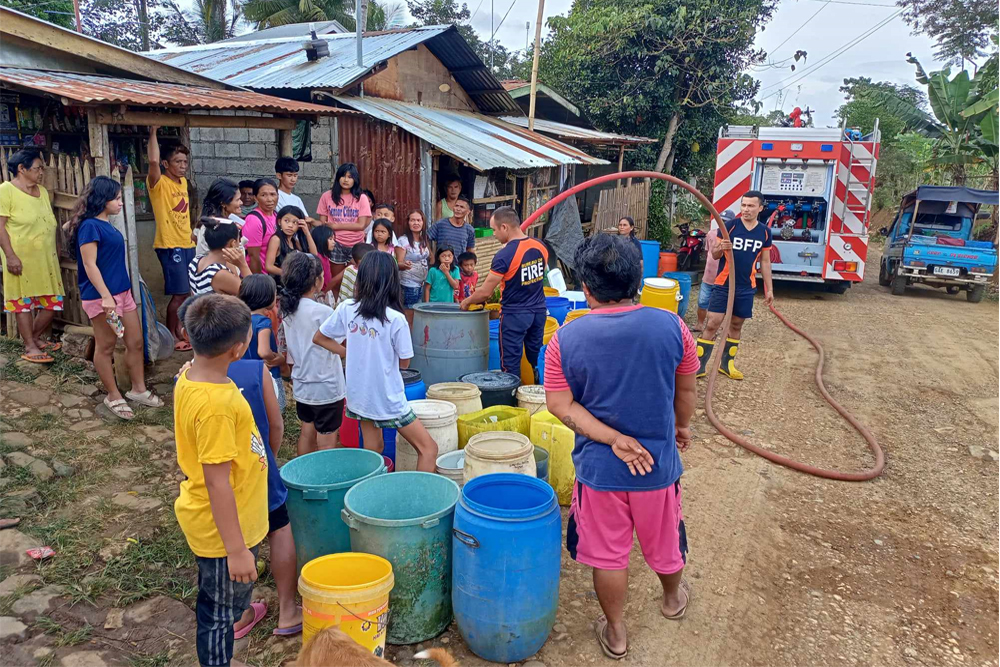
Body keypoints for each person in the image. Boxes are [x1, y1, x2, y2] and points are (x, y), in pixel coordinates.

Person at [543, 233, 698, 660]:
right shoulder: (672, 325)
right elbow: (685, 390)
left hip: (600, 472)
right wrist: (681, 427)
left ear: (586, 288)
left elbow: (559, 405)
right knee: (666, 540)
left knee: (609, 556)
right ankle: (671, 600)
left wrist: (613, 439)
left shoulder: (564, 340)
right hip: (657, 467)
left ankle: (616, 633)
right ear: (639, 281)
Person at [176, 295, 299, 639]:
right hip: (244, 486)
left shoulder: (188, 377)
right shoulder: (247, 376)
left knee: (232, 583)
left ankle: (243, 614)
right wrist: (267, 460)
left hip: (232, 495)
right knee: (278, 529)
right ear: (239, 345)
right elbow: (275, 427)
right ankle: (286, 611)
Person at [173, 293, 268, 667]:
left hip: (228, 521)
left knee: (225, 597)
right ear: (239, 347)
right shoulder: (217, 407)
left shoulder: (190, 374)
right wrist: (236, 550)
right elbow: (217, 483)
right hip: (224, 533)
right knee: (218, 616)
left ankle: (238, 603)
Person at [314, 252, 439, 472]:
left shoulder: (347, 308)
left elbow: (320, 337)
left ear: (361, 279)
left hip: (359, 395)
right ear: (392, 281)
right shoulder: (396, 319)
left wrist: (347, 352)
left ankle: (369, 500)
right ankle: (421, 501)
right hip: (388, 397)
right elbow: (405, 363)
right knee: (428, 448)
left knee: (374, 451)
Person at [66, 175, 161, 418]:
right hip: (102, 298)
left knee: (135, 342)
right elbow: (89, 265)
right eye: (116, 198)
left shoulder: (103, 222)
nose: (121, 203)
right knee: (106, 346)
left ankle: (138, 389)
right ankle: (113, 395)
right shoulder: (90, 226)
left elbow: (68, 227)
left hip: (123, 293)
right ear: (102, 199)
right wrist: (106, 297)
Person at [460, 207, 548, 378]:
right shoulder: (540, 246)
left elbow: (485, 292)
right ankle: (540, 392)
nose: (493, 234)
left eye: (494, 229)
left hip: (515, 315)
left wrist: (466, 301)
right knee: (536, 358)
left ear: (505, 227)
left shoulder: (505, 255)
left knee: (510, 364)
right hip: (538, 312)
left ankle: (512, 400)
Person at [697, 191, 773, 381]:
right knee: (713, 323)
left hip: (746, 286)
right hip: (723, 284)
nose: (746, 209)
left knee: (736, 325)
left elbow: (765, 261)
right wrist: (720, 248)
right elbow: (714, 255)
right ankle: (698, 366)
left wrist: (769, 289)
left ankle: (726, 365)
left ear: (760, 208)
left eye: (751, 206)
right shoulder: (729, 226)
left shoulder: (764, 232)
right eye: (743, 205)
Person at [0, 148, 64, 363]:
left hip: (46, 257)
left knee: (52, 302)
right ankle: (29, 346)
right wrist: (10, 256)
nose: (41, 172)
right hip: (20, 258)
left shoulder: (42, 191)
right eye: (37, 168)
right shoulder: (6, 190)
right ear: (21, 169)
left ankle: (34, 338)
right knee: (23, 302)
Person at [280, 252, 346, 455]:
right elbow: (339, 342)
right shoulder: (322, 312)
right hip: (326, 385)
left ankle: (303, 477)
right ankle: (322, 482)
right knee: (326, 440)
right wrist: (348, 354)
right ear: (317, 281)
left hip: (302, 382)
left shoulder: (287, 309)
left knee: (306, 432)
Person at [147, 126, 194, 347]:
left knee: (187, 294)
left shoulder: (182, 182)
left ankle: (178, 331)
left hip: (186, 242)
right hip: (169, 244)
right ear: (167, 164)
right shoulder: (159, 183)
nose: (183, 166)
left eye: (185, 162)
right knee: (179, 294)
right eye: (178, 162)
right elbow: (153, 163)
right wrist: (153, 132)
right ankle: (171, 337)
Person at [316, 163, 371, 294]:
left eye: (350, 177)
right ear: (338, 178)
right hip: (335, 244)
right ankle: (336, 307)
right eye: (343, 176)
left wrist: (336, 226)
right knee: (336, 281)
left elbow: (361, 225)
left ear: (355, 180)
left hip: (357, 245)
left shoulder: (361, 198)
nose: (346, 180)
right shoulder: (327, 196)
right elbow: (323, 222)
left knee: (358, 280)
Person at [239, 274, 286, 411]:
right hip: (267, 375)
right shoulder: (263, 322)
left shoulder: (240, 319)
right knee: (272, 413)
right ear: (267, 297)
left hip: (246, 374)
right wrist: (277, 359)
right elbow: (263, 351)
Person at [188, 218, 250, 296]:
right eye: (239, 239)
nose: (239, 242)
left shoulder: (196, 261)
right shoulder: (219, 274)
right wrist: (243, 265)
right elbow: (254, 294)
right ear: (233, 243)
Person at [694, 211, 733, 333]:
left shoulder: (732, 237)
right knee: (702, 301)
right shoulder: (711, 234)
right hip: (708, 276)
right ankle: (700, 324)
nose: (723, 223)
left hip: (723, 278)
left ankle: (718, 325)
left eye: (726, 221)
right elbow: (708, 252)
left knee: (720, 304)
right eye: (721, 220)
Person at [265, 205, 318, 282]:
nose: (290, 225)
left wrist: (307, 233)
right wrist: (291, 274)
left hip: (292, 284)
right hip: (279, 285)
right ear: (279, 222)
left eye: (295, 222)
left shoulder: (294, 241)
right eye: (286, 221)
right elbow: (269, 266)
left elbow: (313, 255)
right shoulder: (276, 239)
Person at [395, 209, 430, 324]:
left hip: (421, 284)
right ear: (408, 223)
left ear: (423, 222)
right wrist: (404, 265)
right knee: (409, 316)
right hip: (408, 285)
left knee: (417, 316)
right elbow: (398, 263)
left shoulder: (423, 239)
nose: (416, 223)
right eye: (413, 220)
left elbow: (429, 257)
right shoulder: (403, 241)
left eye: (419, 220)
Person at [194, 179, 244, 257]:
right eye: (237, 200)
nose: (241, 202)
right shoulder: (216, 226)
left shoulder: (209, 220)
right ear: (223, 203)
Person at [243, 178, 280, 275]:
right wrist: (258, 283)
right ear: (255, 198)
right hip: (260, 276)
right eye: (263, 195)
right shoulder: (254, 220)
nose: (269, 199)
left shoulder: (276, 216)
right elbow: (253, 257)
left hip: (273, 275)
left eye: (273, 194)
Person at [428, 194, 475, 264]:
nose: (458, 209)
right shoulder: (441, 224)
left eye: (462, 207)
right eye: (456, 206)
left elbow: (470, 250)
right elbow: (425, 238)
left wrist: (470, 266)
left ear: (468, 211)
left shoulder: (469, 229)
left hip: (458, 270)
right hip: (441, 268)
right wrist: (431, 255)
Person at [310, 225, 338, 306]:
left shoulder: (325, 256)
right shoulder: (318, 257)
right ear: (321, 240)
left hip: (326, 292)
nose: (334, 242)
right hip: (320, 294)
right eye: (330, 239)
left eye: (334, 239)